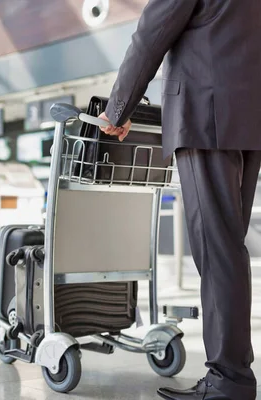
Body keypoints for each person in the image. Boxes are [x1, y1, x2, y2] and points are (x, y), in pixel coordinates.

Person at [98, 1, 261, 399]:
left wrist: (117, 110)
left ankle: (229, 380)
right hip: (248, 115)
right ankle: (234, 374)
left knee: (217, 248)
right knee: (229, 247)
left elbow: (152, 33)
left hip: (204, 115)